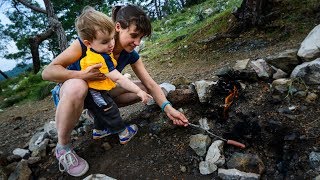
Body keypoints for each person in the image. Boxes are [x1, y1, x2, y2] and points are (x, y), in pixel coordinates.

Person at [42, 4, 189, 177]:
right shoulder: (87, 43)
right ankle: (63, 147)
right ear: (118, 27)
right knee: (78, 85)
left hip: (100, 94)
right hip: (72, 93)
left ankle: (98, 115)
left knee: (145, 89)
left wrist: (167, 107)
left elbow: (149, 83)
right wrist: (82, 75)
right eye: (134, 35)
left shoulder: (130, 53)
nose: (137, 43)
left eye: (141, 38)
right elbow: (48, 72)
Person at [75, 6, 152, 142]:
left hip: (93, 91)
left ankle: (99, 131)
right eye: (105, 42)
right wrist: (138, 91)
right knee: (110, 110)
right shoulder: (101, 58)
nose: (111, 44)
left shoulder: (94, 52)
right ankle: (123, 132)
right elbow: (118, 78)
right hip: (95, 93)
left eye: (111, 39)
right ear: (88, 43)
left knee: (101, 110)